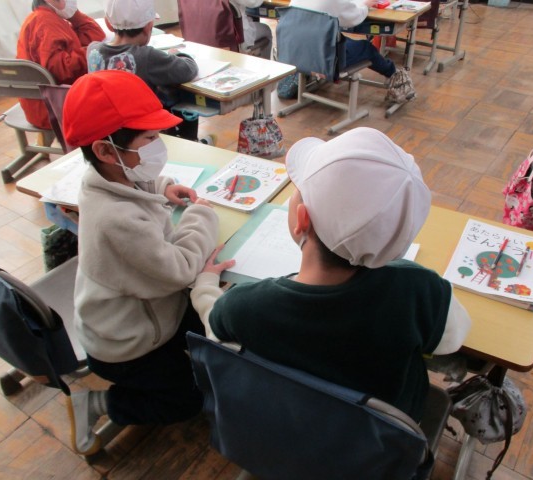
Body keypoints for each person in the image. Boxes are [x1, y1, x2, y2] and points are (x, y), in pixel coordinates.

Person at [191, 127, 471, 422]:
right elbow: (452, 339)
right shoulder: (419, 290)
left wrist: (206, 285)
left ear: (302, 220)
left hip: (285, 428)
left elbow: (215, 328)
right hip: (379, 441)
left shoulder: (244, 306)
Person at [61, 69, 220, 455]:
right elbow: (182, 268)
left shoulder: (104, 177)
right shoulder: (115, 219)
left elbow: (132, 185)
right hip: (127, 345)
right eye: (149, 139)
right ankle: (99, 403)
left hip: (149, 313)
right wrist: (202, 215)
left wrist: (162, 186)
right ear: (105, 150)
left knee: (215, 322)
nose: (157, 146)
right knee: (186, 401)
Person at [87, 0, 208, 143]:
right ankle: (190, 141)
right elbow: (187, 70)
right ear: (148, 27)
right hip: (145, 132)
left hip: (110, 131)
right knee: (175, 93)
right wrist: (176, 55)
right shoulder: (146, 56)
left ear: (108, 24)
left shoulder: (93, 51)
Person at [289, 0, 417, 104]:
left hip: (295, 53)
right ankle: (394, 75)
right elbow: (353, 18)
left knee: (343, 39)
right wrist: (366, 5)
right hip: (325, 57)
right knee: (366, 48)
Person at [16, 0, 105, 129]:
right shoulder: (46, 22)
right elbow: (61, 69)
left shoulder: (45, 18)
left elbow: (95, 35)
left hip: (43, 106)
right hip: (55, 110)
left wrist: (74, 15)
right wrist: (93, 51)